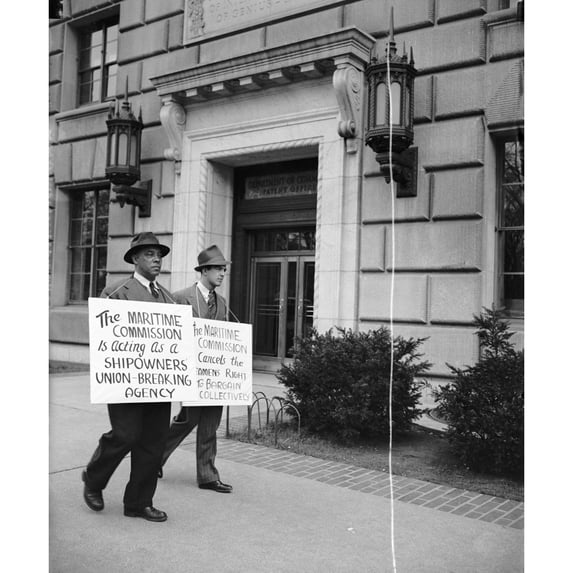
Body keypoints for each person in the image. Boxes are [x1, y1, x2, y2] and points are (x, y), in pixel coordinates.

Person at [82, 232, 175, 522]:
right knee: (126, 435)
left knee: (153, 442)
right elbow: (103, 337)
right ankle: (94, 479)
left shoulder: (170, 300)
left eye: (158, 254)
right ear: (135, 258)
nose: (156, 259)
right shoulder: (115, 291)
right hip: (126, 382)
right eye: (149, 254)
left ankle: (138, 502)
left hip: (159, 383)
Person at [159, 245, 233, 494]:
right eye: (218, 269)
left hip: (215, 377)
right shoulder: (181, 297)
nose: (222, 274)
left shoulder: (222, 303)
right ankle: (155, 457)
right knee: (187, 420)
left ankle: (208, 476)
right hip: (191, 373)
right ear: (204, 270)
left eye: (224, 269)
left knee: (211, 424)